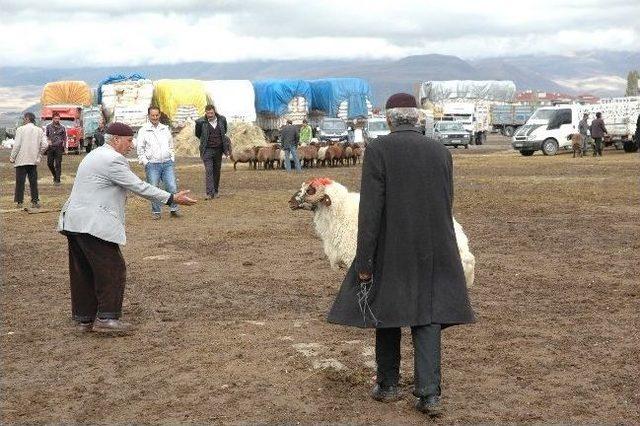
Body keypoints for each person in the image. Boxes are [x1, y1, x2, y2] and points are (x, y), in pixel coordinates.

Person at [327, 93, 475, 416]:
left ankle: (389, 384)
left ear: (390, 119)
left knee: (387, 311)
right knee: (428, 316)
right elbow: (445, 202)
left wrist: (364, 262)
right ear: (417, 118)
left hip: (390, 248)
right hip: (433, 247)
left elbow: (370, 212)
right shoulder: (440, 152)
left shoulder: (378, 151)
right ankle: (429, 394)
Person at [57, 122, 197, 334]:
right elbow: (138, 186)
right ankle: (107, 318)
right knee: (112, 268)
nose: (132, 145)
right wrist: (171, 198)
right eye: (129, 140)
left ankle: (84, 320)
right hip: (92, 223)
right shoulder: (112, 159)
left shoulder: (95, 155)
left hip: (75, 221)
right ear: (115, 139)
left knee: (84, 271)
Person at [136, 106, 180, 219]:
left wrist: (172, 157)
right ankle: (156, 212)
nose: (155, 117)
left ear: (159, 115)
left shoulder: (165, 129)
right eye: (152, 115)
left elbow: (171, 145)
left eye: (157, 115)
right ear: (149, 116)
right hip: (152, 164)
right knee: (153, 188)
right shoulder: (143, 130)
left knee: (172, 186)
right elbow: (140, 148)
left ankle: (174, 209)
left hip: (167, 163)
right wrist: (146, 162)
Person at [9, 112, 49, 209]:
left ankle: (19, 202)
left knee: (20, 182)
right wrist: (39, 155)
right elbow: (45, 145)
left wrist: (12, 157)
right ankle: (35, 201)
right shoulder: (39, 130)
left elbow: (17, 145)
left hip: (21, 160)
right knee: (33, 182)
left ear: (27, 119)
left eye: (24, 119)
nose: (23, 120)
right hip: (33, 160)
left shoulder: (20, 129)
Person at [195, 105, 230, 199]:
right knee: (209, 170)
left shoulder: (222, 120)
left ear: (215, 112)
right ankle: (209, 193)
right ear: (205, 112)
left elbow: (224, 131)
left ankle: (215, 191)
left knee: (217, 171)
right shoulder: (200, 122)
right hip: (207, 150)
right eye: (208, 113)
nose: (210, 115)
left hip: (218, 149)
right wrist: (205, 141)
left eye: (211, 113)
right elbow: (198, 134)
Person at [45, 112, 67, 185]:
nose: (57, 120)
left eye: (58, 118)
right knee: (49, 163)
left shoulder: (62, 127)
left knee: (58, 164)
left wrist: (66, 148)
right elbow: (46, 136)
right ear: (52, 119)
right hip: (50, 148)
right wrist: (47, 141)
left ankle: (57, 180)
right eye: (55, 118)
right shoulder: (48, 127)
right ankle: (55, 175)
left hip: (59, 148)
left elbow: (65, 138)